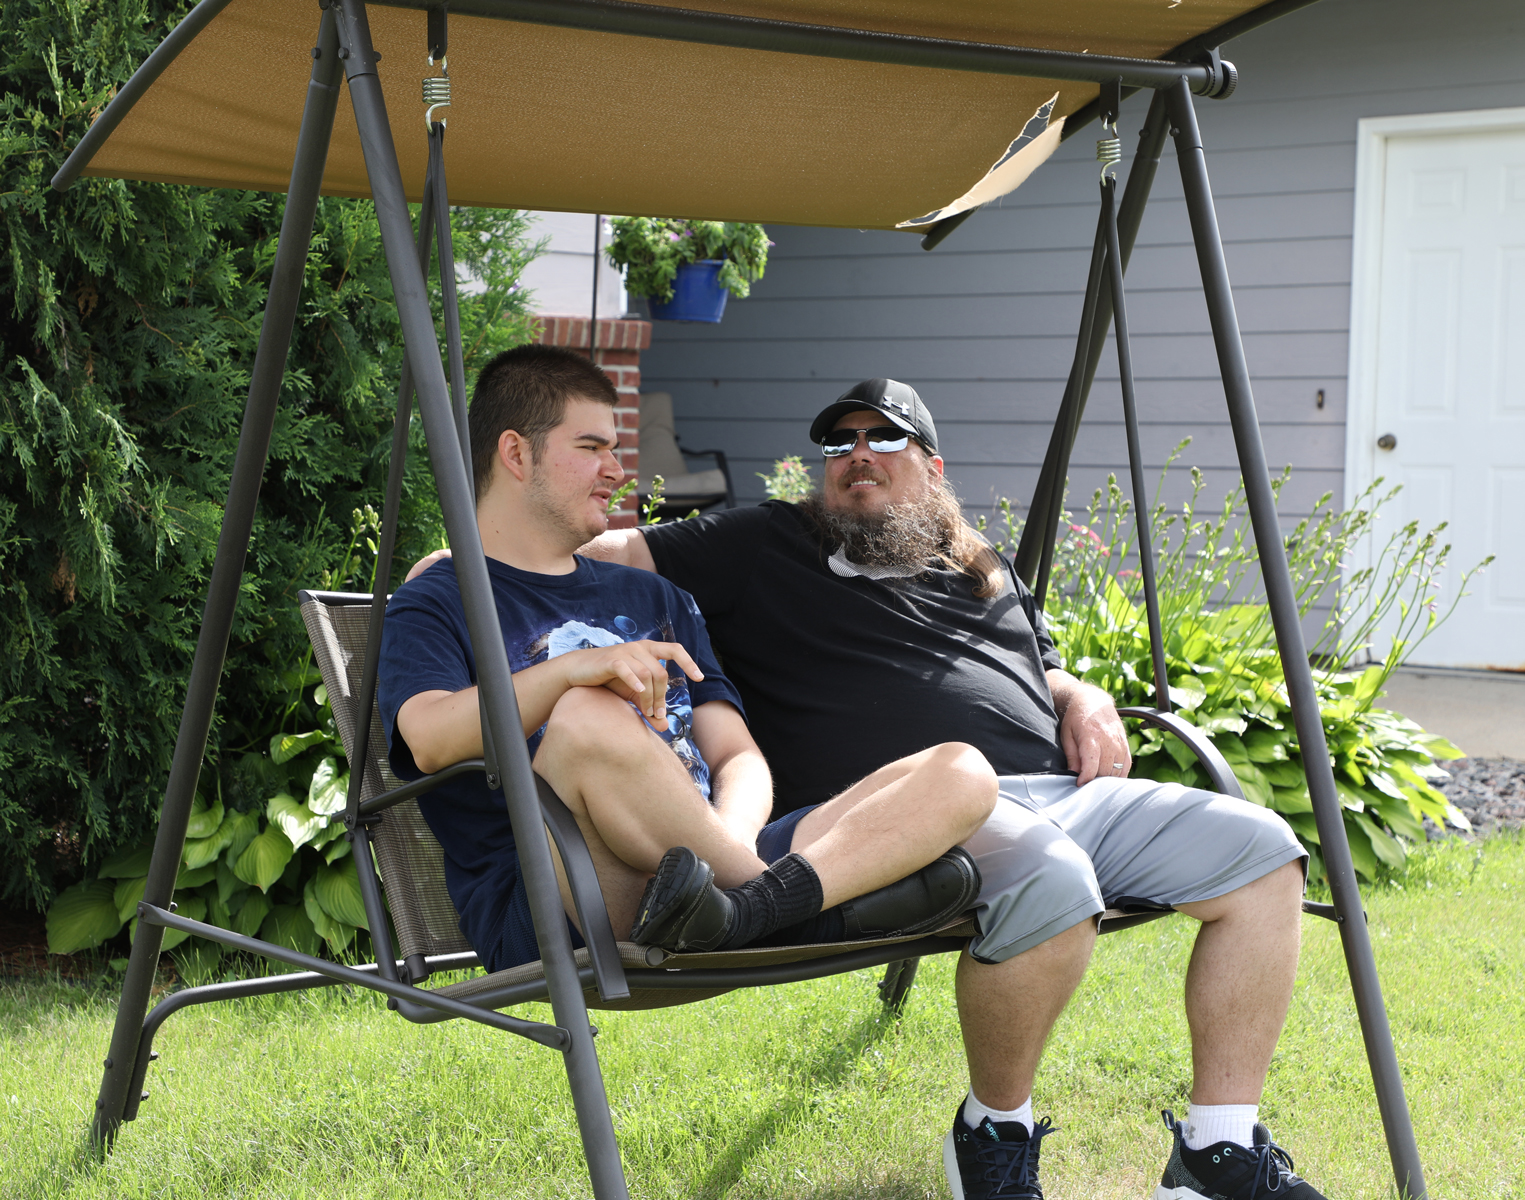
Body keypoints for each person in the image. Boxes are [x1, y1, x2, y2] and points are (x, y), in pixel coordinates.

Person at [406, 377, 1325, 1200]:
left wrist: (1085, 696)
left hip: (995, 796)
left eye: (882, 441)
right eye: (839, 445)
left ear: (932, 466)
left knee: (1260, 851)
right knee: (1048, 878)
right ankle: (986, 1123)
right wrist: (465, 571)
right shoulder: (761, 541)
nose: (856, 458)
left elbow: (745, 750)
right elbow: (565, 576)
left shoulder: (983, 565)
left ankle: (1218, 1149)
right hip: (676, 861)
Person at [376, 348, 997, 991]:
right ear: (516, 454)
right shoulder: (440, 600)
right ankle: (786, 903)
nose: (617, 471)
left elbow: (736, 756)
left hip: (711, 878)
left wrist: (726, 836)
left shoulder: (655, 599)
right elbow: (428, 738)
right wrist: (571, 673)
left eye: (614, 449)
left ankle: (748, 908)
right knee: (589, 716)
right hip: (576, 890)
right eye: (592, 448)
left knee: (964, 770)